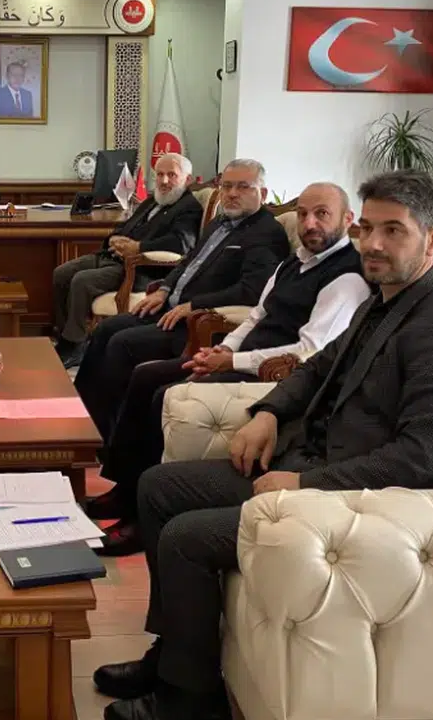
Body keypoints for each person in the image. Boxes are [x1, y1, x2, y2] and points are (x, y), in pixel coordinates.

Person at [93, 170, 433, 720]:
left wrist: (306, 485)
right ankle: (175, 654)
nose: (373, 244)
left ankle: (193, 700)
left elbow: (420, 461)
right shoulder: (385, 303)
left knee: (186, 537)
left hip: (361, 506)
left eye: (394, 231)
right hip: (308, 464)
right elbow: (314, 368)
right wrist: (267, 412)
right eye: (367, 229)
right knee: (158, 487)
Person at [88, 181, 369, 555]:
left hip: (272, 376)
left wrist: (231, 360)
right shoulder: (294, 262)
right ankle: (126, 490)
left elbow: (308, 352)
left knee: (162, 395)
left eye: (322, 214)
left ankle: (141, 521)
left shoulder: (346, 279)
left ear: (347, 219)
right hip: (241, 358)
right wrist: (223, 347)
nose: (309, 223)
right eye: (303, 214)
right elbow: (256, 317)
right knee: (145, 376)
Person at [73, 159, 289, 444]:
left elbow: (251, 290)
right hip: (169, 307)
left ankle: (109, 437)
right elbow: (188, 262)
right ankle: (82, 418)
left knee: (122, 343)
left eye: (242, 187)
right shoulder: (219, 223)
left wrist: (194, 305)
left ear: (262, 193)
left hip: (196, 322)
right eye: (227, 186)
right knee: (105, 329)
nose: (232, 194)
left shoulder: (266, 233)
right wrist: (164, 289)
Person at [53, 153, 202, 368]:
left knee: (82, 281)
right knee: (62, 273)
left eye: (172, 175)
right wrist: (115, 239)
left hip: (142, 269)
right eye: (160, 174)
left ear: (187, 179)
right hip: (115, 257)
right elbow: (125, 226)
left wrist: (138, 247)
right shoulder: (154, 200)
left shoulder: (189, 207)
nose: (164, 181)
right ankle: (66, 336)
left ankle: (75, 346)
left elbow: (180, 244)